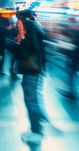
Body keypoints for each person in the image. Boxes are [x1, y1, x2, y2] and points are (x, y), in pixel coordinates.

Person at [16, 9, 53, 142]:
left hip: (31, 68)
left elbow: (29, 46)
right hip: (34, 68)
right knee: (31, 99)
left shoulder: (30, 27)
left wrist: (15, 47)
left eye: (18, 19)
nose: (17, 22)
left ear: (23, 18)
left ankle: (37, 131)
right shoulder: (35, 26)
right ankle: (36, 128)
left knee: (30, 100)